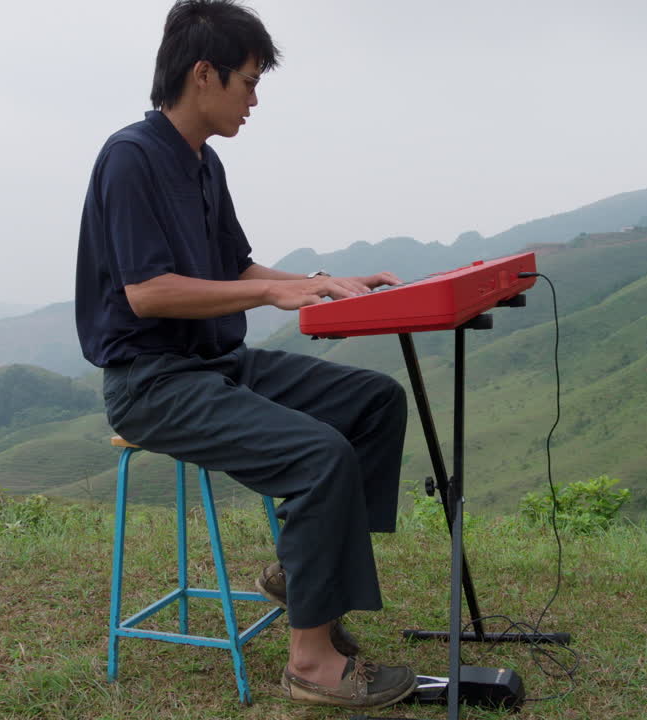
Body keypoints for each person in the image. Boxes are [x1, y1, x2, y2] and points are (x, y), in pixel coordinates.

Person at [74, 0, 416, 710]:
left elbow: (241, 267)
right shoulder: (130, 159)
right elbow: (148, 293)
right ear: (205, 74)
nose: (255, 100)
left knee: (377, 403)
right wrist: (268, 300)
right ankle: (312, 666)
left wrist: (320, 285)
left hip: (217, 366)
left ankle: (305, 579)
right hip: (153, 382)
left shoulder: (205, 165)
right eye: (248, 82)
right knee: (322, 457)